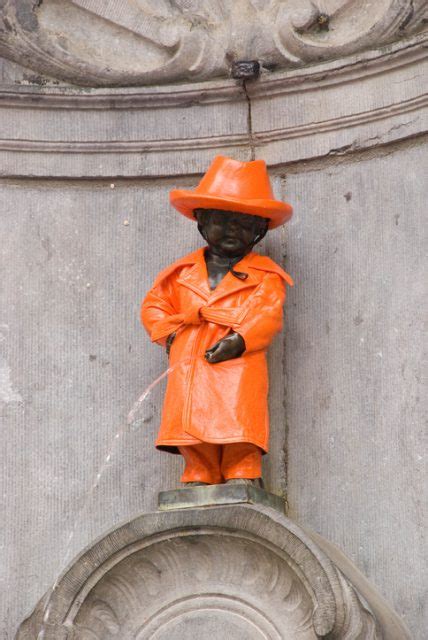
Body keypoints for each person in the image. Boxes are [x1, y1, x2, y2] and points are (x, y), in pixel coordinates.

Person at [140, 155, 293, 486]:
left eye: (244, 223)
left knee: (239, 416)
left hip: (238, 362)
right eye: (223, 220)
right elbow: (154, 305)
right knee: (190, 418)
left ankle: (243, 470)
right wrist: (169, 336)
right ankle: (199, 468)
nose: (232, 230)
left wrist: (240, 340)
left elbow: (268, 313)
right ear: (201, 222)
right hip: (190, 357)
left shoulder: (265, 276)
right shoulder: (181, 274)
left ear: (259, 232)